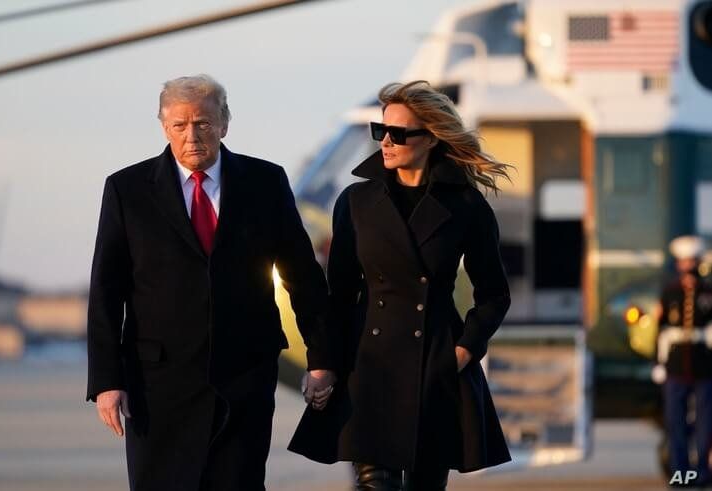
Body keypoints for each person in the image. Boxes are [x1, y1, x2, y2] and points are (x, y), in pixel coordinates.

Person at [86, 74, 336, 491]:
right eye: (180, 125)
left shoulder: (265, 182)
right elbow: (106, 291)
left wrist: (322, 357)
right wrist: (107, 381)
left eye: (202, 123)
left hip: (244, 376)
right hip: (157, 383)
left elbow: (303, 276)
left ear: (224, 122)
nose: (192, 135)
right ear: (164, 127)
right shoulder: (126, 190)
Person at [289, 80, 512, 490]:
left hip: (435, 363)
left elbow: (495, 294)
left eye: (398, 133)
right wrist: (325, 365)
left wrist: (463, 350)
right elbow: (338, 296)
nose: (385, 142)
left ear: (430, 138)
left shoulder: (466, 205)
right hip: (368, 367)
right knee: (375, 483)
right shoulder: (355, 202)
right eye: (381, 132)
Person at [655, 235, 712, 487]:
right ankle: (680, 472)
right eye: (683, 262)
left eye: (692, 261)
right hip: (676, 364)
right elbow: (661, 329)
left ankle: (701, 470)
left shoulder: (708, 293)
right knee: (675, 422)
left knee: (705, 423)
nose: (688, 267)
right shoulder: (670, 292)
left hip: (704, 363)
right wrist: (657, 362)